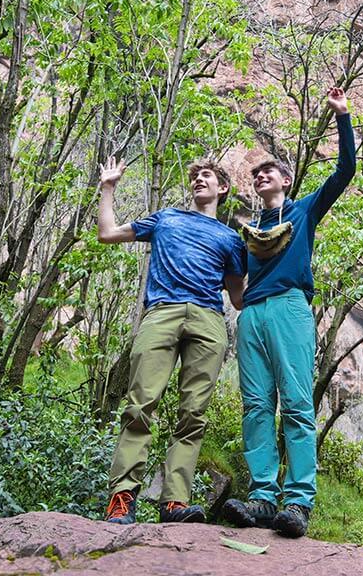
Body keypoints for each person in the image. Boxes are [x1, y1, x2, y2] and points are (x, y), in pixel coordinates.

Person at [223, 86, 355, 537]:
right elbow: (235, 277)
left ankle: (297, 502)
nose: (261, 177)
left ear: (285, 180)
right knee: (256, 406)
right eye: (256, 175)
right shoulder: (247, 229)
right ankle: (262, 496)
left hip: (290, 309)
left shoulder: (303, 212)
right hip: (253, 316)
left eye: (269, 173)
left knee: (297, 404)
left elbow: (344, 172)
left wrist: (342, 116)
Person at [98, 157, 246, 524]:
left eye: (206, 175)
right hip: (161, 312)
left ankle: (175, 502)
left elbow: (240, 298)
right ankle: (122, 498)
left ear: (222, 188)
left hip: (209, 320)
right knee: (140, 404)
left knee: (193, 414)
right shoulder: (165, 218)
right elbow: (107, 233)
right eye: (194, 176)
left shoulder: (230, 238)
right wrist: (108, 187)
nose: (198, 180)